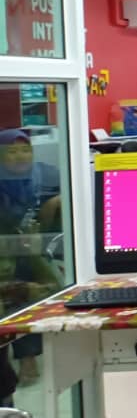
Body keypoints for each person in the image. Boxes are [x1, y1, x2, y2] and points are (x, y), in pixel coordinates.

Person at [0, 129, 63, 385]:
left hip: (32, 248)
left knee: (45, 285)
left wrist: (54, 202)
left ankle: (28, 355)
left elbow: (73, 191)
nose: (20, 156)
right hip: (6, 255)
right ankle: (24, 357)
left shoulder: (44, 175)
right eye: (12, 151)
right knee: (22, 284)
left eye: (25, 150)